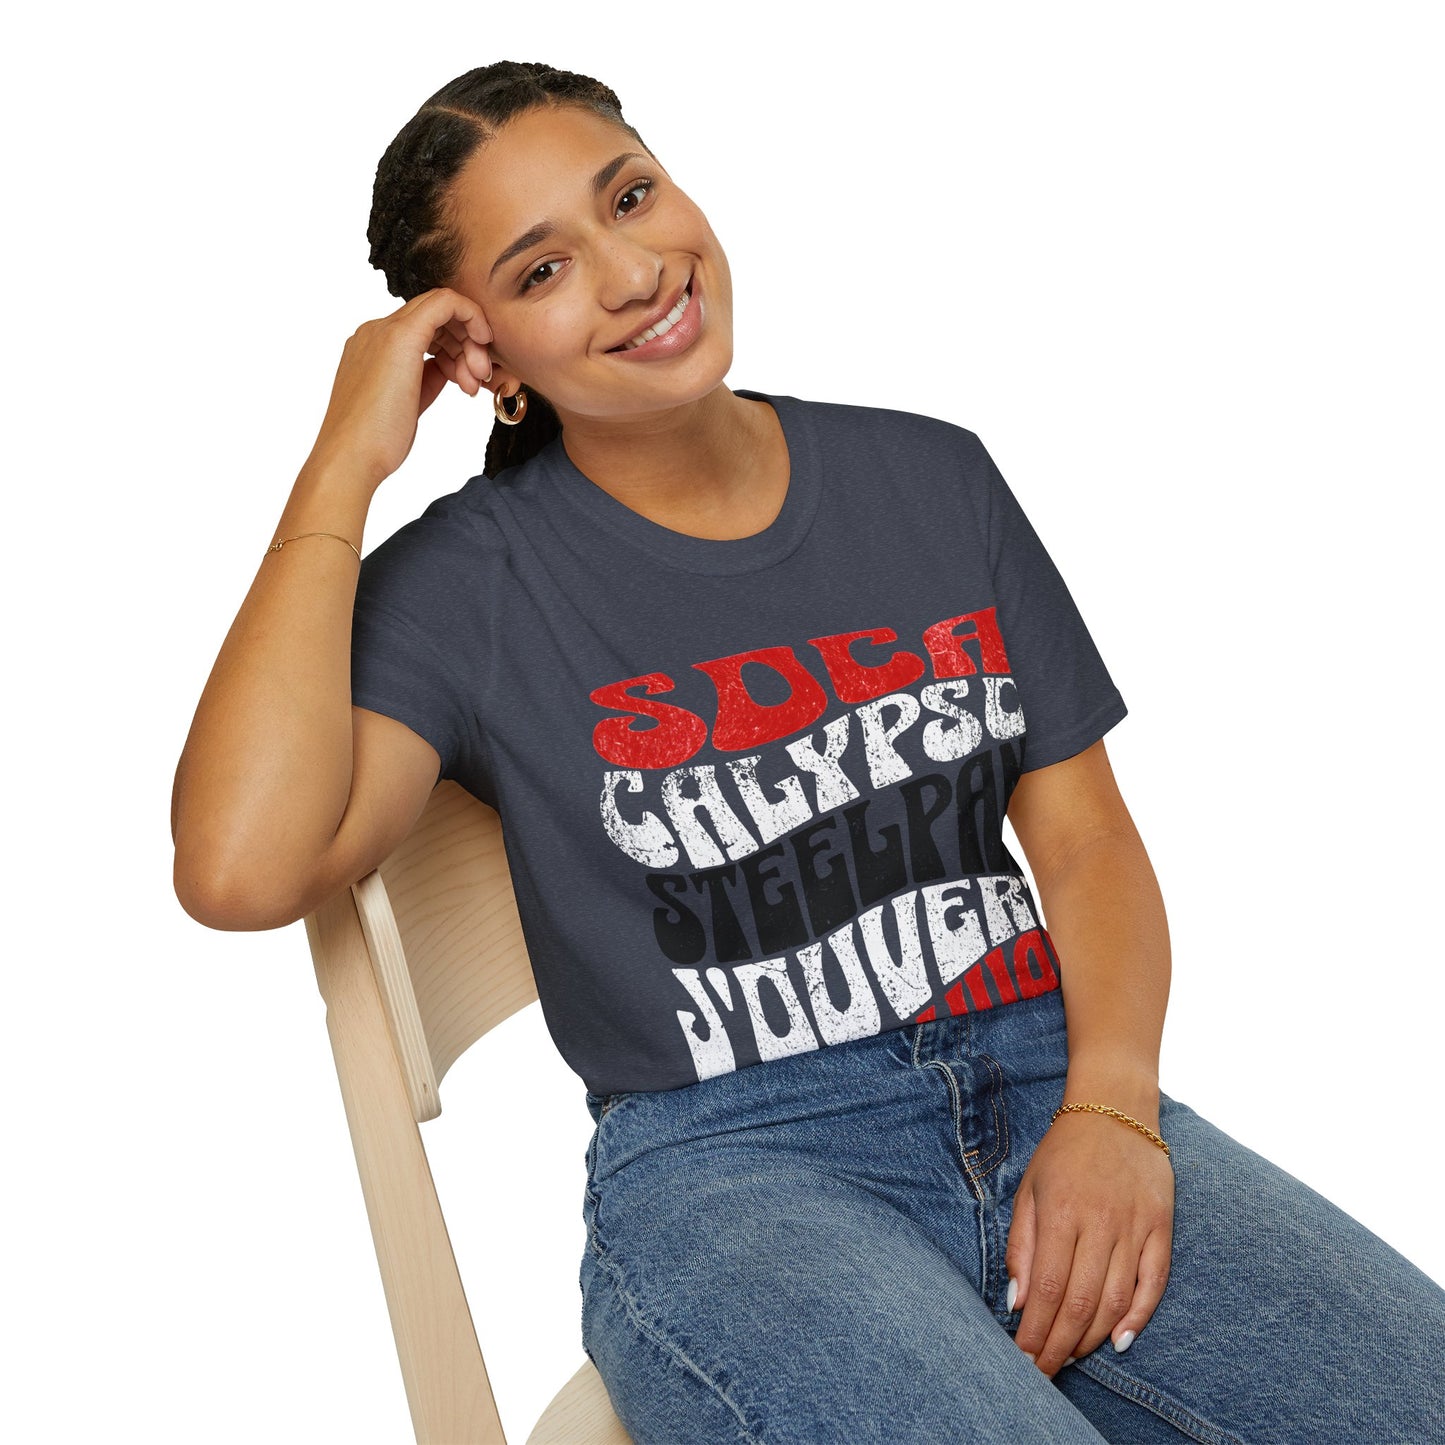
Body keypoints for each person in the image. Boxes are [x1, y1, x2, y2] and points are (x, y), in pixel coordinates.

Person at [171, 60, 1445, 1444]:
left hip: (1049, 1082)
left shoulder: (933, 479)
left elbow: (1085, 845)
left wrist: (1113, 1109)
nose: (633, 273)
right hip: (738, 1173)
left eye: (630, 197)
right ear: (486, 360)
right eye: (542, 270)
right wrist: (342, 462)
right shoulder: (473, 583)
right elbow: (239, 869)